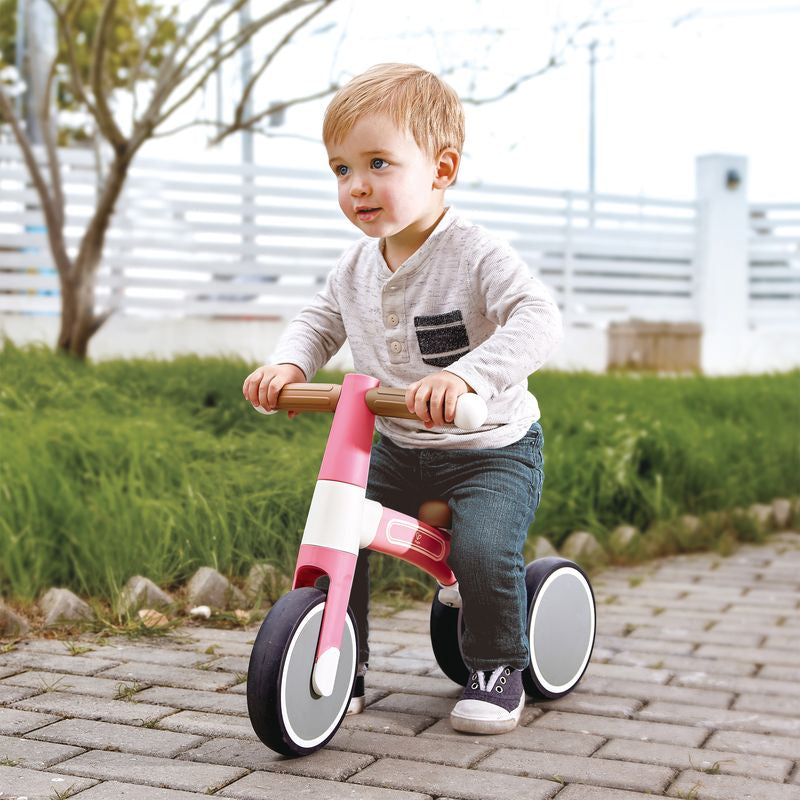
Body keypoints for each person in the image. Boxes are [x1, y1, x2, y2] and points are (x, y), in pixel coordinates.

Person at [242, 63, 562, 735]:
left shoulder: (475, 254)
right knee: (339, 529)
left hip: (488, 449)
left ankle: (499, 666)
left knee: (479, 552)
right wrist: (287, 364)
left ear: (441, 169)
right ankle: (342, 661)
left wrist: (468, 378)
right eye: (340, 169)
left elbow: (538, 317)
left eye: (378, 163)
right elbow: (318, 321)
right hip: (399, 446)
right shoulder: (355, 266)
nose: (356, 185)